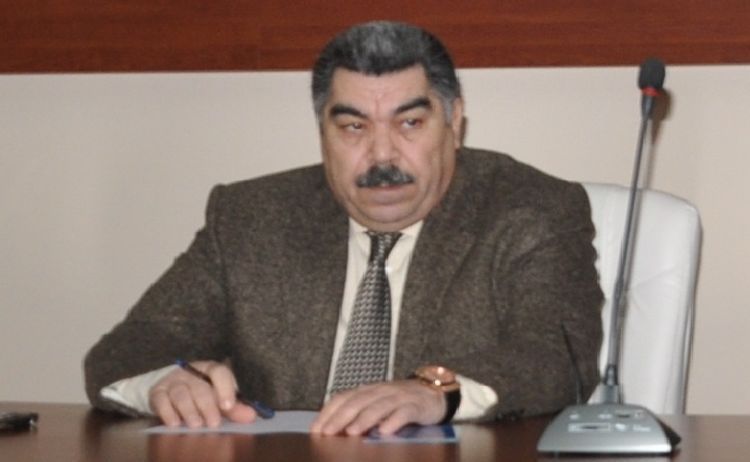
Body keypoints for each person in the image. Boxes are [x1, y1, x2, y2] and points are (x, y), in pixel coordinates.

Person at [84, 20, 603, 436]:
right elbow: (129, 348)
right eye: (353, 127)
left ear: (454, 121)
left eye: (410, 123)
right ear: (323, 132)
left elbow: (557, 357)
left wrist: (433, 391)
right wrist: (167, 381)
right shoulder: (249, 217)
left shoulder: (531, 209)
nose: (381, 156)